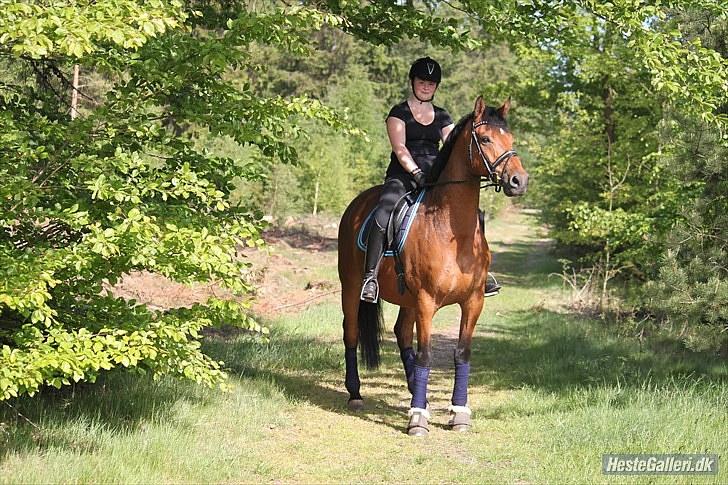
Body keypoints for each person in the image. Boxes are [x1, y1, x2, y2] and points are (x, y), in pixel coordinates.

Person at [360, 57, 501, 303]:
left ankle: (481, 274)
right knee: (383, 213)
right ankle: (370, 277)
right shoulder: (399, 113)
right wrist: (416, 173)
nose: (426, 86)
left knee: (474, 214)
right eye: (422, 81)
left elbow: (452, 147)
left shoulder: (443, 116)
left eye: (431, 83)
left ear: (436, 86)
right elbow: (400, 148)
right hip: (403, 176)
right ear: (413, 82)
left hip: (436, 178)